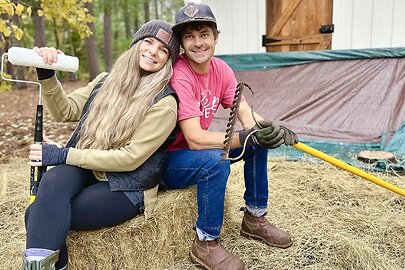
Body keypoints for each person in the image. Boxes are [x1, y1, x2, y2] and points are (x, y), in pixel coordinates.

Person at [23, 20, 180, 270]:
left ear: (168, 61)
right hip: (89, 168)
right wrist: (47, 75)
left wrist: (64, 154)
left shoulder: (164, 103)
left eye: (163, 50)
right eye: (148, 42)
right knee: (52, 185)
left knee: (37, 214)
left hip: (127, 183)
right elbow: (65, 111)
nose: (153, 51)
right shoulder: (105, 81)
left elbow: (130, 158)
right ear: (136, 45)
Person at [165, 2, 298, 269]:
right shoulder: (180, 74)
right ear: (181, 43)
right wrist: (247, 136)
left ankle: (254, 218)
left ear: (216, 38)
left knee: (256, 144)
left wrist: (271, 129)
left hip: (194, 152)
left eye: (203, 34)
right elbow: (195, 138)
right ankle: (205, 241)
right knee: (217, 160)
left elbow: (245, 113)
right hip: (169, 161)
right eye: (189, 36)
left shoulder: (222, 70)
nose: (197, 42)